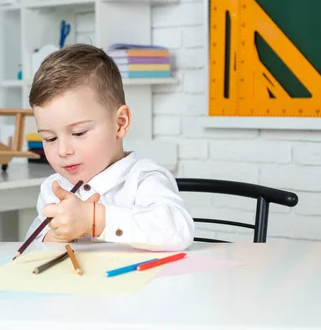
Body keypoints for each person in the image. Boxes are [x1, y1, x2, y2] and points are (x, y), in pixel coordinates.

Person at [25, 43, 194, 251]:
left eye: (78, 133)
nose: (62, 151)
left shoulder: (143, 179)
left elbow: (178, 230)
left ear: (120, 123)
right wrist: (53, 237)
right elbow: (30, 247)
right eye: (50, 138)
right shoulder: (54, 189)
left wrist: (94, 218)